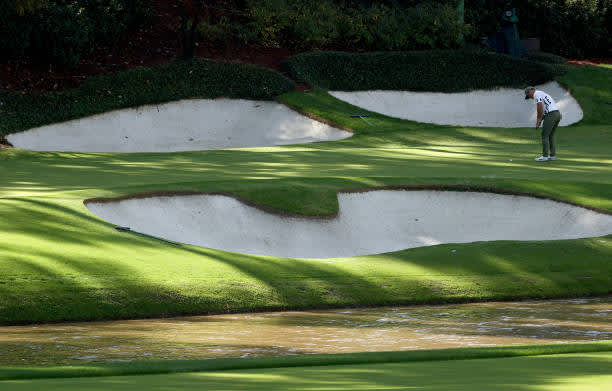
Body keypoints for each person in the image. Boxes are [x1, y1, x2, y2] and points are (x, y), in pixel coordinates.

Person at [524, 86, 562, 161]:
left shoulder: (536, 94)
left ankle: (545, 156)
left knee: (544, 135)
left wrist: (538, 120)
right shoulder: (542, 93)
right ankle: (553, 156)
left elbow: (539, 107)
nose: (530, 97)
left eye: (529, 95)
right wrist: (540, 120)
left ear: (531, 91)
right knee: (550, 135)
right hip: (557, 114)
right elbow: (544, 111)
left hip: (551, 114)